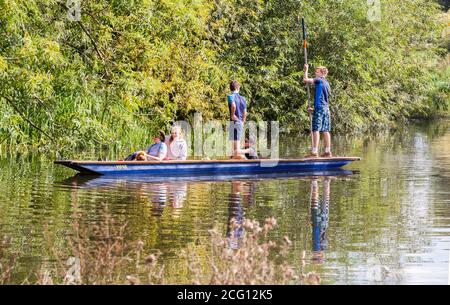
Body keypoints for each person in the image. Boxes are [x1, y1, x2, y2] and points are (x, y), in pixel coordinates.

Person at [303, 64, 332, 157]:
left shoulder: (319, 80)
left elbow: (305, 80)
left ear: (322, 73)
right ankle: (327, 151)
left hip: (320, 108)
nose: (315, 72)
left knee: (316, 129)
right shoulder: (327, 83)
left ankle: (314, 152)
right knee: (325, 130)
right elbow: (323, 99)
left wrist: (305, 70)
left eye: (317, 71)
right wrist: (314, 109)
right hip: (326, 109)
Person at [227, 80, 252, 159]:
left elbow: (233, 105)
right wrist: (243, 121)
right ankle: (242, 160)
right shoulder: (243, 98)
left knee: (236, 150)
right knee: (234, 151)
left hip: (233, 122)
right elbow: (245, 112)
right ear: (238, 87)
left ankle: (250, 150)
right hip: (239, 122)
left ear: (231, 88)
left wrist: (232, 115)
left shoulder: (231, 96)